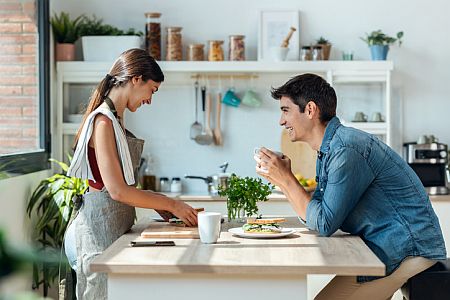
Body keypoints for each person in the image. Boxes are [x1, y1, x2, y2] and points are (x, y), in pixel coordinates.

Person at [255, 73, 446, 300]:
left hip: (406, 250)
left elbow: (325, 223)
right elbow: (320, 212)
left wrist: (286, 179)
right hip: (385, 246)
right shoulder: (331, 148)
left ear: (310, 110)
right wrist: (282, 179)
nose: (281, 121)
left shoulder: (346, 149)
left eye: (285, 110)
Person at [64, 48, 198, 299]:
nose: (150, 99)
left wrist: (158, 204)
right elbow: (117, 190)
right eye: (152, 90)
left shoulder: (116, 119)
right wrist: (170, 203)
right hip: (94, 235)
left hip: (111, 229)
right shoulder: (103, 122)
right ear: (136, 79)